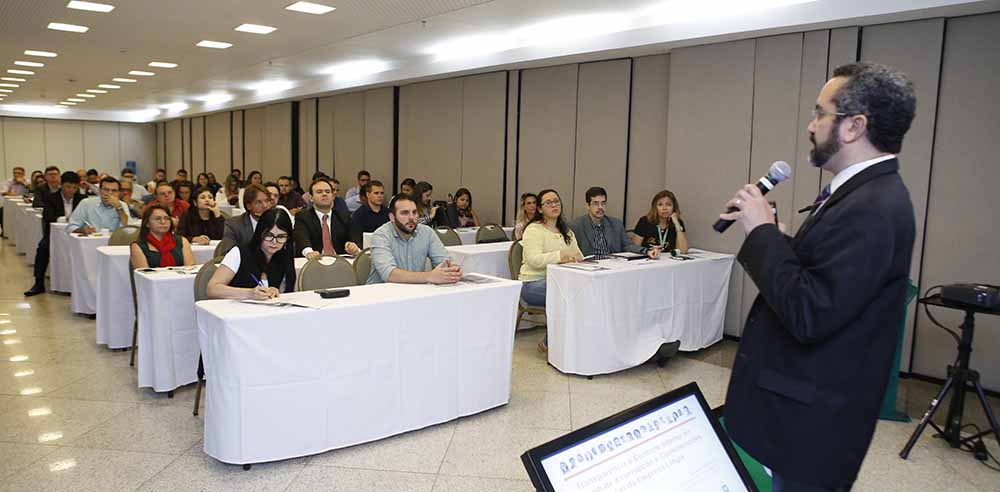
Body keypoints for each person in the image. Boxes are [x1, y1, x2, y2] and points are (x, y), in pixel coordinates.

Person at [721, 62, 918, 492]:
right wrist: (783, 243)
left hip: (812, 426)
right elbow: (831, 281)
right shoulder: (861, 192)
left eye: (819, 113)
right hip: (807, 414)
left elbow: (810, 312)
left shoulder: (873, 206)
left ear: (854, 126)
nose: (810, 126)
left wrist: (764, 233)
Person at [520, 189, 583, 352]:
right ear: (540, 209)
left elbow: (578, 254)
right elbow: (534, 260)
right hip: (532, 283)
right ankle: (551, 342)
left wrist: (577, 259)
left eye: (556, 201)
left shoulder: (566, 231)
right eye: (548, 203)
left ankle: (570, 341)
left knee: (578, 292)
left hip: (562, 281)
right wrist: (560, 255)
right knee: (569, 294)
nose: (554, 205)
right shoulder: (534, 229)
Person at [367, 193, 461, 285]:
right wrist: (429, 276)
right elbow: (389, 274)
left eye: (414, 212)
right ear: (392, 217)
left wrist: (452, 270)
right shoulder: (380, 236)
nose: (411, 218)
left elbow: (445, 262)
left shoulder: (427, 233)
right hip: (382, 295)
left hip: (415, 293)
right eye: (405, 213)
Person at [207, 208, 296, 300]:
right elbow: (212, 289)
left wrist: (275, 291)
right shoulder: (239, 253)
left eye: (281, 237)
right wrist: (249, 293)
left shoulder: (285, 255)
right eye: (269, 235)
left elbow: (287, 292)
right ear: (260, 233)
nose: (274, 242)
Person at [24, 172, 85, 297]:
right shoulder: (51, 198)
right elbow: (48, 216)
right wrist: (66, 219)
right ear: (61, 185)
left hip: (78, 234)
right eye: (68, 187)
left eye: (74, 187)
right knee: (42, 248)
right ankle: (38, 283)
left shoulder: (82, 199)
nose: (71, 190)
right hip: (54, 234)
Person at [571, 187, 658, 259]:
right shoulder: (576, 226)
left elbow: (628, 245)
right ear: (587, 205)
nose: (600, 207)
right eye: (595, 204)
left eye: (603, 203)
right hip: (589, 270)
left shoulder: (616, 224)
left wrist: (647, 251)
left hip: (613, 267)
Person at [294, 178, 359, 258]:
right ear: (311, 198)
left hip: (339, 262)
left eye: (327, 192)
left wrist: (353, 247)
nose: (324, 194)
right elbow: (302, 238)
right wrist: (309, 252)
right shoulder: (302, 217)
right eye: (319, 192)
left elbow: (355, 239)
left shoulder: (344, 217)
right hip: (315, 262)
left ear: (332, 196)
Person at [130, 204, 195, 268]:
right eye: (158, 219)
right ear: (147, 223)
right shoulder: (137, 246)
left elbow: (190, 269)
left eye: (167, 218)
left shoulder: (182, 241)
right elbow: (143, 275)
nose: (163, 222)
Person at [630, 190, 689, 254]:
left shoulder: (677, 222)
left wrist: (677, 225)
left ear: (674, 207)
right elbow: (634, 248)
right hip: (647, 259)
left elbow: (683, 251)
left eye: (668, 205)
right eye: (660, 205)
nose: (664, 208)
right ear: (655, 207)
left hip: (669, 261)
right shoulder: (644, 221)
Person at [66, 176, 131, 234]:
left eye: (114, 190)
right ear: (99, 190)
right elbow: (70, 227)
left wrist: (119, 208)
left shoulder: (122, 205)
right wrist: (82, 230)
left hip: (113, 243)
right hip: (90, 243)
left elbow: (127, 229)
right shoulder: (86, 203)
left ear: (118, 193)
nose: (109, 193)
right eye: (106, 190)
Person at [219, 184, 270, 255]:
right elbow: (227, 252)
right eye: (258, 202)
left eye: (267, 201)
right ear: (249, 206)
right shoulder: (234, 224)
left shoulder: (277, 222)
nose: (265, 206)